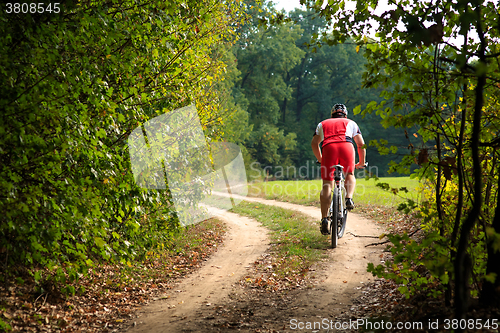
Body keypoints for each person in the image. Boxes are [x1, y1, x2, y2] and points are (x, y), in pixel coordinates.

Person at [311, 103, 366, 235]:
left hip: (328, 148)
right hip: (346, 146)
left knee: (327, 184)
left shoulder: (322, 124)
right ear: (345, 114)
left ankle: (324, 219)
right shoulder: (351, 122)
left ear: (332, 114)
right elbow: (361, 144)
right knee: (350, 173)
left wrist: (320, 158)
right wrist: (362, 162)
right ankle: (348, 197)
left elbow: (314, 143)